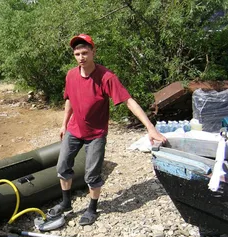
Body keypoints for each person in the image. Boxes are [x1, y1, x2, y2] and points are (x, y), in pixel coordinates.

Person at [47, 34, 167, 226]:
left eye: (85, 52)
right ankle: (66, 202)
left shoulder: (106, 77)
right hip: (73, 130)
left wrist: (150, 128)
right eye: (77, 54)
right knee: (62, 167)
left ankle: (92, 208)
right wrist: (64, 124)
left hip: (96, 134)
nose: (81, 57)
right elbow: (69, 98)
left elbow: (128, 101)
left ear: (94, 52)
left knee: (92, 175)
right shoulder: (70, 75)